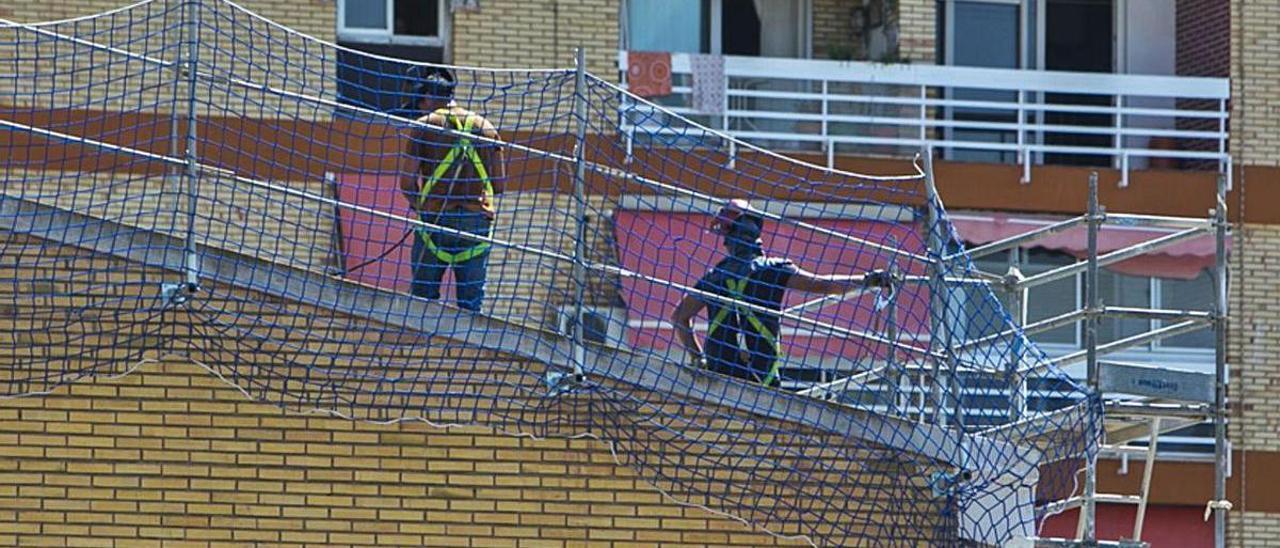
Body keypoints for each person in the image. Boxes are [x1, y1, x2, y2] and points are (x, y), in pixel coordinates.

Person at [670, 200, 893, 388]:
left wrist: (698, 359)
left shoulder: (714, 277)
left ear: (731, 237)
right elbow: (822, 284)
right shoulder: (774, 269)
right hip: (761, 380)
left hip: (718, 379)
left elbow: (679, 317)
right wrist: (867, 281)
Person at [399, 66, 506, 312]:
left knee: (423, 302)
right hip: (475, 224)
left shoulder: (424, 125)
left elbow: (406, 183)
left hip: (435, 220)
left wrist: (423, 206)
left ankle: (422, 348)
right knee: (471, 305)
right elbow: (498, 185)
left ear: (425, 97)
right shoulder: (486, 127)